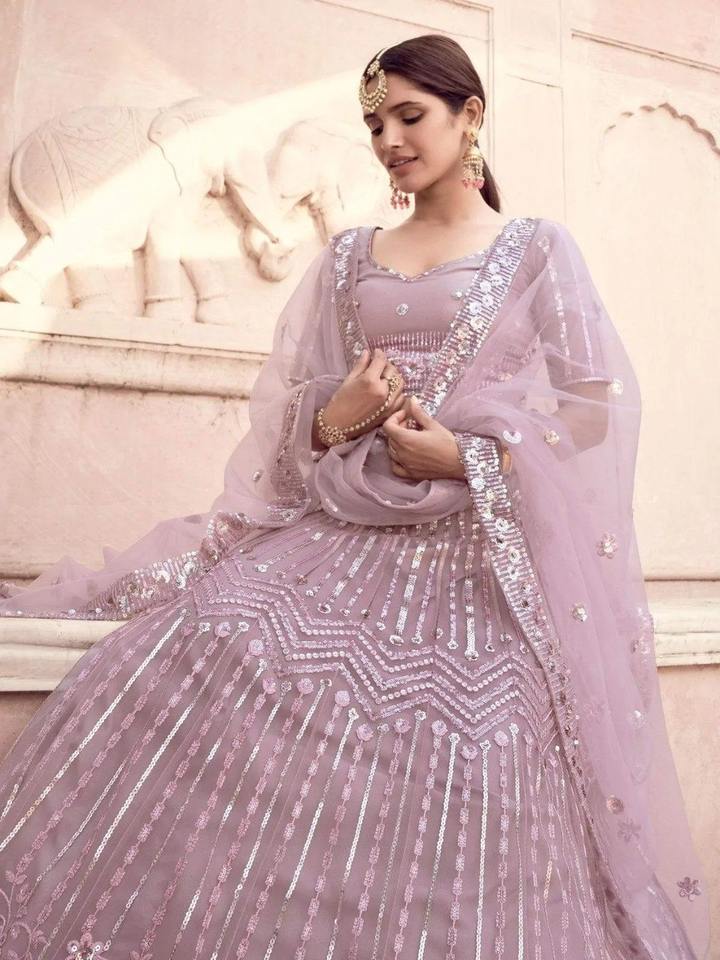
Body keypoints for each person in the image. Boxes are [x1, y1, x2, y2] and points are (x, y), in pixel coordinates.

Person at [0, 34, 709, 960]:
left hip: (475, 561)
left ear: (470, 116)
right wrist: (334, 420)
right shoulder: (348, 256)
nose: (389, 142)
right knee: (195, 647)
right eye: (375, 126)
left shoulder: (536, 249)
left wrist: (470, 454)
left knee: (485, 742)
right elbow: (300, 408)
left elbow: (591, 407)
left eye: (410, 117)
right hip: (340, 530)